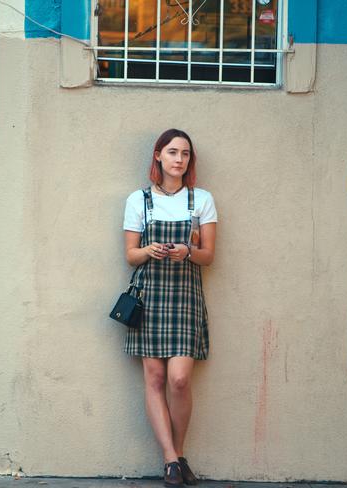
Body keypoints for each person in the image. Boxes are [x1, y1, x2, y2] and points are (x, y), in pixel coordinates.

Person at [122, 129, 217, 487]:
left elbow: (209, 256)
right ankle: (171, 461)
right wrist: (151, 250)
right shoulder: (138, 200)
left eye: (186, 154)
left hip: (185, 299)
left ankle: (177, 454)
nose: (179, 159)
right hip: (150, 297)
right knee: (155, 378)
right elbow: (130, 255)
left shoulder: (202, 200)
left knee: (179, 380)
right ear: (158, 156)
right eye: (173, 152)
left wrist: (187, 252)